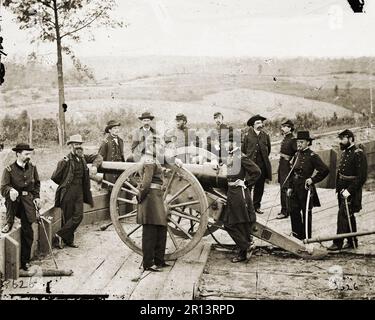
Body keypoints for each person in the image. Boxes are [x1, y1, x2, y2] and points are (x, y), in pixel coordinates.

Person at [136, 135, 182, 272]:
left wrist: (176, 160)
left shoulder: (155, 158)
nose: (161, 147)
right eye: (158, 145)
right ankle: (148, 263)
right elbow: (145, 183)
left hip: (156, 198)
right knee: (150, 232)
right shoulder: (149, 160)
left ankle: (159, 260)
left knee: (161, 230)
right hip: (150, 199)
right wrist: (140, 197)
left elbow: (166, 160)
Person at [51, 134, 103, 249]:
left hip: (79, 191)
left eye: (80, 145)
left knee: (78, 216)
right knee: (68, 217)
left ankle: (59, 235)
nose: (78, 147)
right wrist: (64, 184)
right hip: (68, 192)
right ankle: (68, 241)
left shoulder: (83, 158)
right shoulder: (65, 161)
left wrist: (94, 166)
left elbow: (99, 156)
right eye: (75, 145)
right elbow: (54, 177)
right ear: (70, 146)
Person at [221, 133, 261, 263]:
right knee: (237, 224)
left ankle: (246, 247)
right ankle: (244, 250)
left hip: (239, 194)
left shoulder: (241, 157)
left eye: (227, 143)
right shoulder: (232, 156)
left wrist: (246, 183)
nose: (225, 145)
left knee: (232, 224)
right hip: (232, 193)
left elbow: (257, 171)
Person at [0, 143, 41, 271]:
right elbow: (3, 188)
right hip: (14, 203)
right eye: (26, 154)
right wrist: (10, 190)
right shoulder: (9, 169)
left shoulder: (32, 168)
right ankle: (9, 222)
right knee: (11, 196)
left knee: (28, 231)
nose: (29, 156)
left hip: (27, 203)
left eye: (29, 154)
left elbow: (37, 185)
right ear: (18, 154)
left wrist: (37, 197)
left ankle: (25, 261)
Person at [327, 129, 368, 251]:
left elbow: (361, 177)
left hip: (351, 190)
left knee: (343, 215)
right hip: (342, 188)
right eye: (340, 139)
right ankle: (352, 240)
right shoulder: (346, 152)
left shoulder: (358, 153)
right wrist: (340, 188)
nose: (340, 141)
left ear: (350, 139)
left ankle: (338, 242)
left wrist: (349, 191)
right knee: (348, 215)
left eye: (342, 139)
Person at [287, 131, 329, 240]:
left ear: (308, 142)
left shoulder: (313, 156)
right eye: (298, 142)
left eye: (301, 142)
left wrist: (313, 179)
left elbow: (325, 170)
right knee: (294, 212)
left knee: (306, 213)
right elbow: (292, 172)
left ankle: (306, 238)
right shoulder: (296, 154)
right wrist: (290, 187)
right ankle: (296, 237)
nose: (299, 144)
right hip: (295, 187)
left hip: (305, 188)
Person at [241, 114, 271, 214]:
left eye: (261, 122)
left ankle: (256, 206)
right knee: (248, 186)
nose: (260, 124)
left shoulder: (265, 136)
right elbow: (243, 151)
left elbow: (268, 150)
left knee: (260, 187)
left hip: (262, 166)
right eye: (258, 123)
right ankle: (248, 206)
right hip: (250, 167)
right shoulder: (247, 136)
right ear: (253, 125)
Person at [276, 119, 297, 219]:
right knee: (283, 187)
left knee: (285, 188)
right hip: (282, 165)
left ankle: (285, 211)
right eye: (282, 126)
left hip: (287, 167)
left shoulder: (293, 139)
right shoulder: (286, 138)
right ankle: (284, 209)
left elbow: (297, 154)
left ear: (290, 128)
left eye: (284, 126)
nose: (282, 128)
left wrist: (291, 161)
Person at [98, 120, 125, 185]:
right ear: (109, 130)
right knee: (111, 189)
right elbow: (100, 157)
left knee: (130, 185)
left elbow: (122, 156)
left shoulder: (120, 141)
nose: (117, 130)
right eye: (115, 128)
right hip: (110, 172)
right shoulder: (105, 142)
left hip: (121, 169)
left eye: (118, 128)